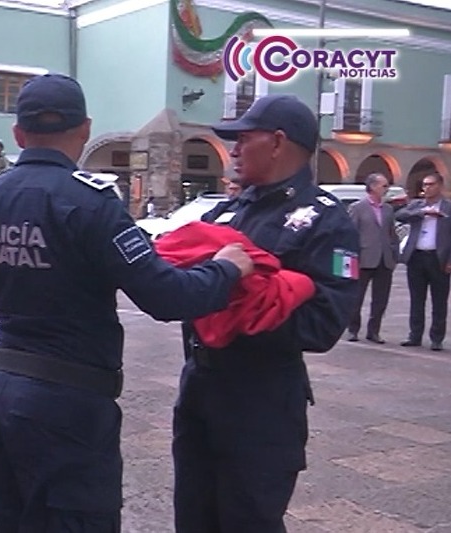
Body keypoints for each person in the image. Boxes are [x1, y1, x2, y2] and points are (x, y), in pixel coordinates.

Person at [0, 73, 252, 531]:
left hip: (3, 391)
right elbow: (165, 296)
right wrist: (228, 268)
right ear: (85, 130)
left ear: (18, 134)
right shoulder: (90, 202)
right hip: (69, 402)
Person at [173, 94, 361, 532]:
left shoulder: (325, 221)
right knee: (194, 518)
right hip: (201, 389)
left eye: (243, 138)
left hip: (260, 402)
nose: (234, 150)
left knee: (247, 520)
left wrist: (237, 311)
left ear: (277, 142)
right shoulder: (227, 211)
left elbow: (323, 322)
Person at [395, 172, 451, 351]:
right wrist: (422, 213)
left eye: (431, 184)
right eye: (425, 185)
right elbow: (400, 215)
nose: (426, 188)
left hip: (438, 258)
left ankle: (436, 338)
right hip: (417, 257)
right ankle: (415, 335)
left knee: (439, 301)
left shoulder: (448, 208)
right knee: (416, 299)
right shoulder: (417, 205)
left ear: (440, 186)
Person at [346, 173, 398, 344]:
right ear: (373, 186)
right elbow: (351, 234)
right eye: (384, 186)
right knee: (356, 297)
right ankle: (353, 329)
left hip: (384, 259)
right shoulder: (358, 207)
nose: (386, 189)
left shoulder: (388, 209)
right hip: (364, 258)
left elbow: (392, 233)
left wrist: (394, 253)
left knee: (381, 298)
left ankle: (374, 331)